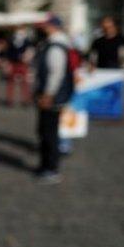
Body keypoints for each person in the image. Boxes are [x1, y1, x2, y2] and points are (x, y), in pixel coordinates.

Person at [33, 14, 76, 184]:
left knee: (49, 133)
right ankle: (45, 165)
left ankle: (51, 169)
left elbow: (55, 73)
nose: (42, 28)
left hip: (52, 97)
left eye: (45, 25)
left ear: (53, 26)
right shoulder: (52, 44)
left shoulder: (56, 47)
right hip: (52, 95)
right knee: (44, 132)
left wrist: (48, 94)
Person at [3, 26, 32, 106]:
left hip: (22, 63)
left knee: (24, 82)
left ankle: (26, 99)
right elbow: (8, 51)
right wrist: (7, 62)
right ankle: (10, 99)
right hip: (13, 62)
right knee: (11, 82)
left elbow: (29, 50)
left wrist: (27, 57)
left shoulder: (26, 40)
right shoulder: (11, 39)